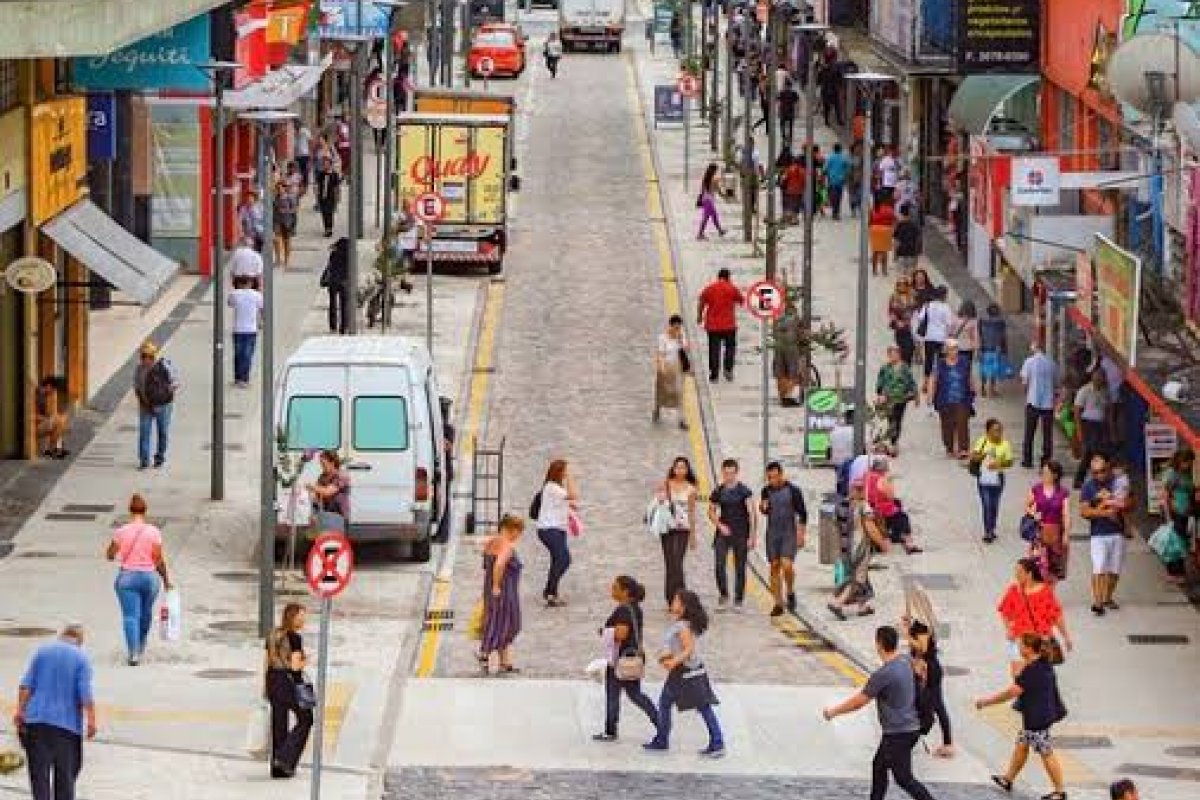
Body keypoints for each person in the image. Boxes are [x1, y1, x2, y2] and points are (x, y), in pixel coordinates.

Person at [822, 626, 938, 800]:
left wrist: (833, 712)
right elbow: (921, 664)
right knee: (879, 766)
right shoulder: (905, 660)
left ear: (879, 644)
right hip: (907, 728)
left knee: (904, 778)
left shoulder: (883, 675)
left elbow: (859, 702)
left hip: (899, 733)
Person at [975, 633, 1068, 800]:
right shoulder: (1042, 663)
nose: (1018, 647)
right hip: (1040, 715)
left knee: (1046, 753)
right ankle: (1008, 779)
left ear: (1028, 649)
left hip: (1038, 719)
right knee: (1022, 745)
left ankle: (1060, 792)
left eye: (1021, 645)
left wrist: (986, 702)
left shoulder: (1032, 670)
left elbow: (1012, 692)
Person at [13, 625, 96, 800]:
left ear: (61, 636)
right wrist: (91, 721)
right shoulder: (81, 659)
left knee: (39, 778)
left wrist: (20, 711)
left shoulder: (42, 652)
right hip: (66, 729)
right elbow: (85, 694)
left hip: (36, 723)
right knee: (65, 779)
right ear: (80, 641)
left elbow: (25, 686)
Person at [643, 590, 725, 758]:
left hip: (687, 673)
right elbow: (679, 647)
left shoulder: (683, 626)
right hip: (683, 672)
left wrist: (673, 661)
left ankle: (717, 743)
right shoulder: (682, 624)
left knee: (702, 706)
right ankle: (662, 739)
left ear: (684, 606)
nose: (672, 603)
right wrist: (666, 657)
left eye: (676, 601)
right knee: (667, 703)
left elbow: (688, 649)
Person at [105, 493, 170, 666]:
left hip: (127, 577)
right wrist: (166, 580)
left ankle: (133, 653)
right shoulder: (154, 532)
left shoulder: (121, 532)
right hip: (150, 578)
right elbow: (158, 559)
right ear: (145, 511)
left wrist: (116, 552)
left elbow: (110, 555)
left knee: (130, 616)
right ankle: (141, 644)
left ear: (130, 510)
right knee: (146, 613)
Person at [594, 576, 658, 741]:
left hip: (620, 659)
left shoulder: (622, 610)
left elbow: (622, 633)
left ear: (625, 591)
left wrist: (605, 632)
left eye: (616, 588)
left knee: (613, 694)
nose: (612, 591)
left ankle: (610, 730)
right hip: (633, 657)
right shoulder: (636, 608)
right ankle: (660, 722)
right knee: (635, 694)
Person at [997, 557, 1071, 677]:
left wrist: (1066, 637)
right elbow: (1004, 611)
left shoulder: (1045, 592)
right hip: (1019, 640)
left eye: (1020, 572)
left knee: (1039, 676)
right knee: (1018, 676)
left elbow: (1056, 616)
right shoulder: (1014, 591)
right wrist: (1008, 629)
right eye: (1016, 571)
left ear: (1030, 574)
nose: (1016, 575)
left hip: (1040, 642)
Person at [264, 603, 312, 779]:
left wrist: (264, 687)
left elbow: (266, 661)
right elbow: (295, 666)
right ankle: (284, 758)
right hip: (289, 683)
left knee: (279, 723)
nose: (304, 619)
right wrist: (307, 661)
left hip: (272, 680)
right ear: (293, 617)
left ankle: (278, 770)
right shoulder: (294, 638)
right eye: (301, 616)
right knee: (306, 719)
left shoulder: (273, 634)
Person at [1081, 453, 1132, 616]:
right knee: (1099, 566)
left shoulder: (1119, 482)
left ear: (1108, 468)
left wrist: (1117, 502)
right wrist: (1103, 509)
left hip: (1118, 532)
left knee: (1115, 570)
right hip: (1098, 533)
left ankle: (1107, 597)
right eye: (1095, 472)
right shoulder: (1088, 486)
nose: (1099, 475)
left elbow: (1130, 503)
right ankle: (1097, 602)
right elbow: (1084, 512)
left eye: (1102, 471)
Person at [707, 458, 757, 610]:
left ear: (736, 473)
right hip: (723, 532)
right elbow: (711, 511)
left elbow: (752, 514)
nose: (728, 476)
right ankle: (723, 595)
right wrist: (719, 525)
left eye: (731, 473)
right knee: (719, 564)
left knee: (740, 567)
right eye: (726, 473)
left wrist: (752, 536)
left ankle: (738, 599)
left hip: (741, 532)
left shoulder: (744, 491)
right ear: (722, 473)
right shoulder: (718, 491)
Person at [759, 461, 808, 616]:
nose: (772, 480)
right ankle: (778, 602)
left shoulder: (794, 491)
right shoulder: (766, 491)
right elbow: (764, 510)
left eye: (775, 477)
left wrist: (801, 534)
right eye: (769, 478)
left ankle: (790, 591)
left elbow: (803, 514)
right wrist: (762, 507)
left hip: (789, 532)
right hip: (772, 533)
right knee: (774, 566)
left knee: (786, 564)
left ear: (781, 474)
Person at [479, 514, 525, 674]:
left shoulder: (492, 541)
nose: (519, 535)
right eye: (518, 531)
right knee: (509, 623)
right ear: (510, 529)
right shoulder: (507, 546)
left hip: (490, 590)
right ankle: (484, 654)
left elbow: (486, 563)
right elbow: (499, 565)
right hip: (504, 591)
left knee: (495, 620)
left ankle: (505, 662)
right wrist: (497, 585)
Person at [903, 616, 953, 757]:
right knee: (927, 704)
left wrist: (907, 635)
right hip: (924, 669)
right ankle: (921, 736)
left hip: (929, 670)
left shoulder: (922, 624)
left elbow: (923, 649)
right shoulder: (919, 623)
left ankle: (946, 744)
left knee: (935, 706)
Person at [535, 459, 580, 607]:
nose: (568, 473)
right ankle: (550, 591)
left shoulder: (554, 488)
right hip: (550, 530)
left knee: (558, 560)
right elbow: (574, 494)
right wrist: (570, 478)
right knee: (563, 560)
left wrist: (569, 506)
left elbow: (559, 502)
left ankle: (551, 592)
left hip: (557, 529)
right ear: (560, 472)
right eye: (566, 471)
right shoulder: (553, 487)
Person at [658, 457, 699, 607]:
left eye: (683, 467)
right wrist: (661, 495)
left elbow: (692, 512)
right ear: (673, 469)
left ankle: (681, 597)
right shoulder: (666, 484)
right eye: (678, 467)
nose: (680, 470)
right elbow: (659, 503)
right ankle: (670, 598)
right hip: (667, 528)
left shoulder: (691, 488)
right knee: (669, 563)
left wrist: (693, 536)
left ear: (687, 470)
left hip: (683, 529)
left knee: (677, 562)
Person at [133, 341, 179, 470]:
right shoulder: (139, 369)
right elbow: (136, 386)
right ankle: (144, 460)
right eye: (143, 356)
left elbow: (176, 382)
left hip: (163, 406)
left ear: (153, 356)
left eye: (148, 356)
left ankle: (159, 457)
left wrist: (165, 394)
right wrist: (142, 401)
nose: (145, 359)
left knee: (163, 432)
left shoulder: (164, 366)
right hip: (145, 406)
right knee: (144, 432)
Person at [863, 456, 922, 554]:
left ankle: (896, 534)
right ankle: (909, 544)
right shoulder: (882, 480)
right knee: (902, 516)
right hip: (881, 509)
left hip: (871, 505)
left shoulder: (867, 476)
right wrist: (890, 481)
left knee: (897, 504)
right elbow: (891, 496)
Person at [927, 339, 974, 459]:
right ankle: (949, 447)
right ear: (946, 350)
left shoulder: (964, 362)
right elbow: (933, 380)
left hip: (962, 399)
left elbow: (969, 377)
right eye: (951, 349)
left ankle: (963, 449)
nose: (954, 351)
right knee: (947, 425)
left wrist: (973, 391)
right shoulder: (940, 364)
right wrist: (930, 398)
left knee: (962, 422)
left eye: (955, 348)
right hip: (944, 399)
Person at [1026, 460, 1072, 582]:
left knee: (1054, 568)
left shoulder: (1063, 492)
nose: (1044, 475)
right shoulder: (1036, 489)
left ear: (1055, 475)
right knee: (1038, 566)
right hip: (1039, 531)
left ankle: (1050, 590)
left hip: (1056, 533)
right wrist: (1033, 514)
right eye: (1043, 472)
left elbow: (1066, 514)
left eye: (1047, 473)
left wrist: (1066, 534)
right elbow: (1027, 507)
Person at [971, 419, 1014, 543]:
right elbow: (974, 457)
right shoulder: (982, 441)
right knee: (986, 504)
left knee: (994, 504)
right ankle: (988, 531)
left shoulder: (1005, 444)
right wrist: (985, 454)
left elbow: (1010, 462)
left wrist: (999, 463)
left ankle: (992, 527)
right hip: (984, 477)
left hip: (998, 477)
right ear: (988, 431)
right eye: (995, 430)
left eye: (1000, 430)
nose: (998, 433)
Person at [697, 269, 742, 382]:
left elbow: (701, 302)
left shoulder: (710, 288)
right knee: (730, 347)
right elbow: (741, 300)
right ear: (728, 277)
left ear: (718, 277)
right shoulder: (732, 288)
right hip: (729, 325)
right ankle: (728, 369)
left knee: (714, 349)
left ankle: (714, 374)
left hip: (713, 325)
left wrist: (699, 316)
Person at [1020, 344, 1058, 469]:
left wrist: (1026, 395)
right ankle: (1046, 460)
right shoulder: (1052, 363)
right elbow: (1056, 382)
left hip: (1033, 401)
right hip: (1048, 402)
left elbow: (1025, 382)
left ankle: (1027, 459)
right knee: (1047, 434)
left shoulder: (1029, 362)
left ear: (1034, 349)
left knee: (1029, 432)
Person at [1160, 448, 1196, 579]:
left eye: (1191, 462)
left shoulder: (1186, 473)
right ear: (1180, 460)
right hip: (1174, 512)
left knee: (1181, 541)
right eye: (1187, 462)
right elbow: (1165, 495)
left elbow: (1189, 489)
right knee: (1175, 542)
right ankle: (1176, 572)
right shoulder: (1172, 474)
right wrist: (1169, 516)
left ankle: (1178, 572)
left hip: (1184, 513)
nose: (1189, 464)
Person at [876, 345, 918, 452]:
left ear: (899, 355)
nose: (893, 356)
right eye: (890, 354)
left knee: (898, 419)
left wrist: (915, 395)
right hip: (888, 399)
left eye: (895, 354)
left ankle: (894, 442)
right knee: (891, 420)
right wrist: (880, 395)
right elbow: (880, 383)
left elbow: (911, 382)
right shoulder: (885, 368)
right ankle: (893, 441)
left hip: (901, 399)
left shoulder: (905, 368)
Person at [1073, 369, 1110, 488]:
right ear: (1092, 377)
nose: (1099, 380)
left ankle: (1097, 479)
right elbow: (1077, 411)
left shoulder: (1105, 392)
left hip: (1101, 425)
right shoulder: (1084, 390)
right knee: (1089, 452)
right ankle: (1079, 480)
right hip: (1088, 425)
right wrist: (1079, 431)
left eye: (1102, 377)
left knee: (1101, 453)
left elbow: (1107, 410)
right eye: (1097, 377)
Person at [653, 315, 691, 430]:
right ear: (670, 326)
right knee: (662, 392)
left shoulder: (681, 336)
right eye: (675, 327)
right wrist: (661, 367)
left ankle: (682, 419)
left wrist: (680, 340)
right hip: (666, 368)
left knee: (679, 393)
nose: (677, 329)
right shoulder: (662, 338)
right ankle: (657, 409)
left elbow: (686, 350)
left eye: (679, 327)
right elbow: (660, 354)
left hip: (678, 369)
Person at [227, 275, 263, 388]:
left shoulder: (234, 294)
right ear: (250, 283)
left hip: (238, 329)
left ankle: (237, 378)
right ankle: (244, 379)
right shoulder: (257, 295)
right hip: (251, 329)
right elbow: (261, 308)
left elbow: (230, 304)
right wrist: (261, 321)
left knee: (238, 355)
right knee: (247, 355)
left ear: (239, 283)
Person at [914, 285, 952, 378]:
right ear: (944, 295)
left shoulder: (927, 305)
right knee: (941, 360)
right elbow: (949, 323)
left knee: (928, 359)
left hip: (929, 336)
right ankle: (939, 379)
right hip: (941, 337)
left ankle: (926, 380)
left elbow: (920, 318)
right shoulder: (946, 307)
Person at [307, 450, 351, 529]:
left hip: (339, 516)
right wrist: (313, 513)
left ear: (332, 463)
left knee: (335, 537)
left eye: (324, 464)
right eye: (321, 464)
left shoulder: (341, 476)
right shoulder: (322, 477)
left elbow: (328, 492)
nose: (322, 466)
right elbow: (317, 497)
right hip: (326, 516)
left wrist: (312, 487)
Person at [772, 299, 804, 406]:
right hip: (792, 348)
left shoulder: (777, 320)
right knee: (793, 373)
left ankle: (782, 397)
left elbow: (774, 334)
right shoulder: (796, 319)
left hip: (778, 348)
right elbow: (801, 335)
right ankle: (787, 397)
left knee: (780, 373)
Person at [34, 377, 69, 459]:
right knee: (59, 422)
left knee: (61, 420)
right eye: (53, 390)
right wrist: (45, 419)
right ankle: (54, 449)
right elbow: (32, 415)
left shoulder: (45, 395)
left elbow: (50, 412)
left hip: (43, 422)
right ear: (48, 386)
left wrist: (51, 416)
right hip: (35, 425)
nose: (53, 392)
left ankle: (54, 449)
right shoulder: (36, 395)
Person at [978, 303, 1008, 398]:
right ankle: (991, 390)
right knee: (993, 370)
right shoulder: (1000, 323)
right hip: (996, 349)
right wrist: (1004, 349)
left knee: (984, 369)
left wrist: (979, 348)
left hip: (984, 348)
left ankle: (983, 388)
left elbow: (979, 335)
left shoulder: (982, 322)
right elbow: (1002, 336)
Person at [322, 237, 350, 334]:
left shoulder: (334, 254)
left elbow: (330, 266)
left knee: (332, 303)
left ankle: (333, 325)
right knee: (344, 305)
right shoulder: (349, 256)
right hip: (344, 282)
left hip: (333, 281)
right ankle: (344, 326)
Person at [887, 276, 917, 366]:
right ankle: (903, 366)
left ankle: (907, 365)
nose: (902, 286)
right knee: (903, 348)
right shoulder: (894, 297)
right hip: (900, 328)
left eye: (904, 284)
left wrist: (913, 320)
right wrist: (897, 322)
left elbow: (916, 310)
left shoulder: (912, 296)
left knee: (910, 348)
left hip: (911, 326)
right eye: (899, 284)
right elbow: (891, 311)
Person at [314, 141, 342, 238]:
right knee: (324, 213)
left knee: (330, 213)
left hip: (331, 197)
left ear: (330, 165)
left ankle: (329, 229)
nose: (325, 166)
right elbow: (317, 185)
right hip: (322, 196)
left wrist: (338, 197)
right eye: (324, 164)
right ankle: (326, 227)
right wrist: (317, 194)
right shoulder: (321, 174)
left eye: (327, 164)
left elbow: (337, 187)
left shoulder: (334, 175)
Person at [273, 175, 299, 268]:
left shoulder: (290, 198)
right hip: (277, 221)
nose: (279, 190)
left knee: (286, 241)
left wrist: (286, 212)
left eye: (281, 188)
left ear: (285, 188)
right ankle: (278, 258)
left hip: (287, 222)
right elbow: (273, 210)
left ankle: (286, 260)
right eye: (278, 188)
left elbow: (294, 210)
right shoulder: (275, 198)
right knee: (276, 240)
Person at [696, 163, 727, 239]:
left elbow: (702, 190)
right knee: (707, 217)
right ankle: (700, 234)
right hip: (709, 201)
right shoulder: (714, 179)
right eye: (716, 170)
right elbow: (718, 190)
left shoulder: (705, 178)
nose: (717, 171)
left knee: (713, 216)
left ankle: (720, 231)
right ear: (714, 170)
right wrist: (724, 196)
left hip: (705, 199)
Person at [868, 200, 897, 276]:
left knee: (875, 251)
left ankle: (874, 271)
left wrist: (870, 229)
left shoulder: (874, 209)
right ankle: (884, 270)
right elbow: (894, 219)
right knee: (884, 251)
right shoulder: (889, 209)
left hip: (875, 230)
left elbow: (869, 221)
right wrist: (893, 229)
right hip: (886, 230)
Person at [892, 205, 922, 275]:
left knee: (902, 276)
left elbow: (897, 241)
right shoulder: (914, 225)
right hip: (912, 253)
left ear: (900, 214)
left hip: (901, 253)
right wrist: (917, 253)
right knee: (911, 275)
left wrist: (895, 254)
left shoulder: (899, 226)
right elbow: (918, 241)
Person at [823, 142, 850, 219]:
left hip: (831, 180)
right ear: (840, 149)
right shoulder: (844, 158)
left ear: (833, 149)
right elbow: (848, 168)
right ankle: (836, 212)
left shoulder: (830, 158)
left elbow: (825, 168)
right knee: (839, 196)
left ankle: (835, 212)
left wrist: (824, 174)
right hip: (840, 180)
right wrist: (844, 175)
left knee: (832, 196)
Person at [954, 300, 980, 373]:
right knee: (967, 366)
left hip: (957, 346)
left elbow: (952, 332)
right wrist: (977, 349)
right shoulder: (974, 321)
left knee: (957, 365)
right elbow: (976, 336)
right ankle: (965, 378)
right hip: (969, 347)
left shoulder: (956, 319)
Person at [777, 77, 799, 143]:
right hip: (790, 110)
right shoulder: (794, 93)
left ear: (785, 86)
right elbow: (797, 103)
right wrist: (797, 112)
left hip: (783, 110)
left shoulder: (781, 92)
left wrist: (778, 111)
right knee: (790, 124)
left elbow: (778, 101)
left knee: (782, 124)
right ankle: (790, 136)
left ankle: (783, 135)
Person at [295, 124, 312, 194]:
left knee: (305, 172)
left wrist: (310, 154)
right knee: (300, 172)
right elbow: (296, 144)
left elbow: (310, 142)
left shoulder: (305, 131)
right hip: (298, 155)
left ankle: (305, 187)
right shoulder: (296, 132)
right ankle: (301, 187)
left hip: (305, 154)